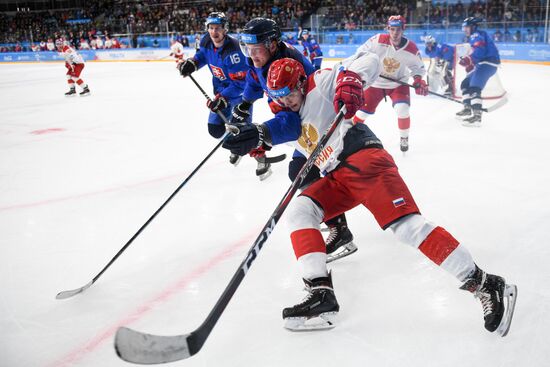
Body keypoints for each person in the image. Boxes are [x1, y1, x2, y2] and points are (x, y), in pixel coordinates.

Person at [222, 55, 517, 335]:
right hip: (338, 176)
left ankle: (485, 284)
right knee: (301, 211)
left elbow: (370, 61)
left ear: (300, 83)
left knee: (406, 228)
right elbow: (300, 148)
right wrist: (260, 140)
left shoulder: (320, 82)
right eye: (277, 96)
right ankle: (320, 292)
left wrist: (351, 78)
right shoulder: (293, 116)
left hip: (364, 160)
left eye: (288, 93)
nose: (284, 101)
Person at [234, 17, 357, 261]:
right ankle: (339, 227)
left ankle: (340, 228)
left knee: (304, 171)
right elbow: (253, 76)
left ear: (271, 44)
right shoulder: (264, 59)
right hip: (308, 125)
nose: (251, 54)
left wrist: (262, 134)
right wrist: (245, 102)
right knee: (299, 171)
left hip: (319, 126)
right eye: (247, 48)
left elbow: (291, 124)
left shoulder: (281, 66)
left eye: (255, 48)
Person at [177, 12, 251, 168]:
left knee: (243, 131)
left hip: (238, 95)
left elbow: (241, 83)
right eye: (210, 27)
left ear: (225, 29)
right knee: (215, 129)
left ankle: (254, 150)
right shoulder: (206, 41)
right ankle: (235, 138)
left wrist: (224, 98)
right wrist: (193, 63)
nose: (213, 32)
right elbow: (202, 55)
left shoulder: (235, 51)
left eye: (218, 28)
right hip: (219, 90)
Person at [352, 15, 428, 153]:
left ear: (403, 29)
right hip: (375, 83)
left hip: (398, 85)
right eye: (392, 29)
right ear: (388, 28)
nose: (395, 33)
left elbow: (418, 68)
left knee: (402, 109)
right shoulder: (378, 40)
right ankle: (350, 135)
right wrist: (365, 68)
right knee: (362, 113)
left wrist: (418, 79)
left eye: (398, 29)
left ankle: (404, 138)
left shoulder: (411, 48)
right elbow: (361, 53)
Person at [456, 17, 501, 127]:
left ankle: (477, 117)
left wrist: (469, 60)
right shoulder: (477, 35)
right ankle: (467, 108)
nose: (465, 29)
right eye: (464, 27)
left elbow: (480, 51)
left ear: (473, 26)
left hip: (488, 63)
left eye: (467, 27)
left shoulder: (476, 35)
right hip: (483, 63)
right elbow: (479, 53)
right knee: (465, 84)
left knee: (474, 87)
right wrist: (471, 63)